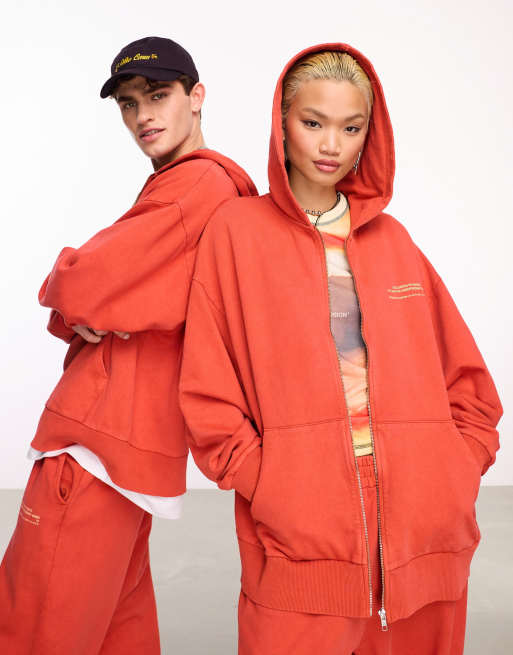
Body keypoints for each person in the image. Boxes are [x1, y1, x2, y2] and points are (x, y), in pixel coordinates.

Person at [178, 43, 502, 654]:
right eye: (313, 122)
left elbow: (469, 384)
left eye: (351, 128)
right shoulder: (236, 233)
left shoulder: (393, 240)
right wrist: (272, 482)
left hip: (424, 530)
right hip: (301, 529)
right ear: (282, 123)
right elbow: (207, 390)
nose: (331, 145)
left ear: (367, 137)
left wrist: (456, 471)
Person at [0, 36, 256, 654]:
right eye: (128, 103)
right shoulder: (214, 189)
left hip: (95, 442)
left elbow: (80, 283)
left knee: (33, 631)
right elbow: (114, 299)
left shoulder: (193, 187)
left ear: (197, 97)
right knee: (120, 633)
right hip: (134, 450)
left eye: (159, 95)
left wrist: (69, 296)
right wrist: (91, 312)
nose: (143, 115)